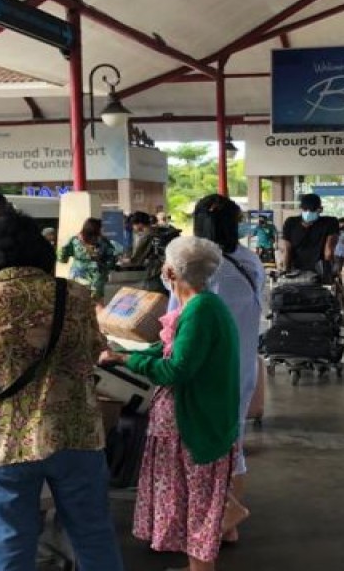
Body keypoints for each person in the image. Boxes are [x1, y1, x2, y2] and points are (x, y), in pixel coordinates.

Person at [0, 213, 124, 571]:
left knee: (11, 544)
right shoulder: (76, 296)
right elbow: (95, 348)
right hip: (75, 433)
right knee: (93, 535)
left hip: (4, 440)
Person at [99, 236, 240, 571]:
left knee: (199, 505)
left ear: (171, 271)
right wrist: (123, 355)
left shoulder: (201, 311)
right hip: (190, 424)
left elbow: (175, 369)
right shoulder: (197, 306)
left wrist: (129, 362)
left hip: (193, 425)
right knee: (192, 501)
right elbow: (169, 351)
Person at [190, 194, 263, 542]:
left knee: (204, 449)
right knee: (233, 443)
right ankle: (227, 524)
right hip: (242, 366)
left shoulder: (198, 267)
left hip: (206, 372)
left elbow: (182, 320)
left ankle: (220, 520)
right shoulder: (250, 261)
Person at [60, 218, 121, 302]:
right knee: (95, 302)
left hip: (79, 275)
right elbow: (112, 257)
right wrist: (107, 266)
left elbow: (62, 256)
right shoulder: (103, 241)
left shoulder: (75, 240)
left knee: (78, 301)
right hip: (96, 277)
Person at [280, 194, 339, 277]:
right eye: (306, 209)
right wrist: (329, 275)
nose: (308, 212)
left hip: (295, 271)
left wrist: (285, 270)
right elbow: (328, 252)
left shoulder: (290, 222)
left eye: (311, 210)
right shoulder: (330, 222)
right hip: (320, 271)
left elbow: (286, 250)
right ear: (320, 209)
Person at [124, 210, 179, 294]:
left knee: (152, 295)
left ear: (139, 224)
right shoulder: (163, 230)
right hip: (172, 268)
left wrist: (125, 261)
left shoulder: (148, 235)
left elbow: (137, 258)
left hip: (156, 271)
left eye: (133, 225)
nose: (133, 228)